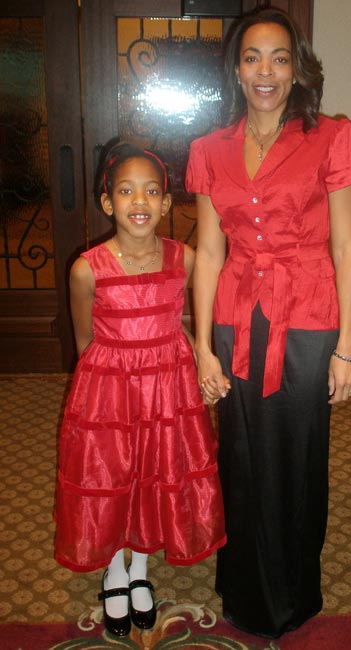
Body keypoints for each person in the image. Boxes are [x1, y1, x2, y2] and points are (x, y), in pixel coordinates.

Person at [185, 7, 351, 639]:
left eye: (280, 58)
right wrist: (204, 346)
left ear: (298, 69)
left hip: (309, 320)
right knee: (239, 455)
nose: (265, 71)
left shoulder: (331, 136)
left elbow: (346, 248)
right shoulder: (208, 149)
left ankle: (292, 591)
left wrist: (347, 347)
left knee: (296, 454)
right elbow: (209, 253)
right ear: (235, 69)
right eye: (253, 57)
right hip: (237, 318)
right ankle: (244, 589)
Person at [54, 142, 226, 637]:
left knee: (157, 472)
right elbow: (85, 339)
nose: (140, 202)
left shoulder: (186, 259)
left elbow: (195, 320)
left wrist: (200, 360)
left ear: (168, 203)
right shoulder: (86, 268)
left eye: (152, 192)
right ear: (107, 202)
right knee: (113, 478)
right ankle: (113, 569)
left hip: (168, 390)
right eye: (126, 191)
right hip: (109, 393)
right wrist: (108, 380)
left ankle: (140, 571)